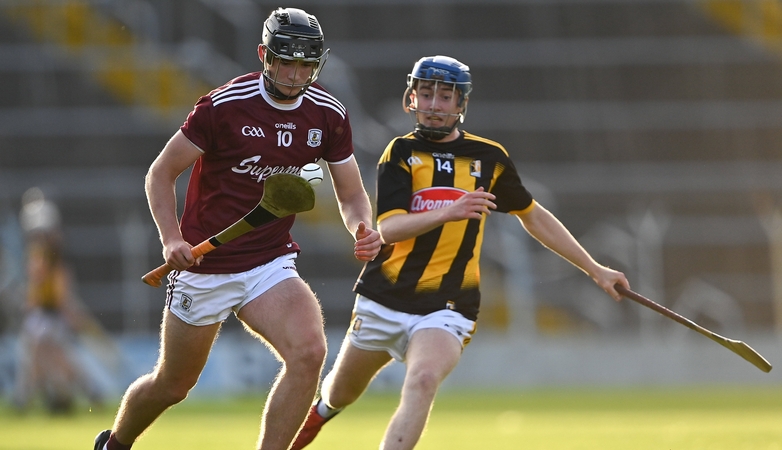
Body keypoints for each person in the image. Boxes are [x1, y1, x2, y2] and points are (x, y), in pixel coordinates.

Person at [291, 55, 630, 450]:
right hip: (383, 298)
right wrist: (450, 211)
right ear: (411, 98)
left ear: (461, 104)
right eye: (426, 93)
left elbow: (533, 216)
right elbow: (390, 227)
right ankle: (317, 418)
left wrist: (594, 268)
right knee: (340, 393)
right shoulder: (400, 153)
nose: (434, 103)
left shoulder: (490, 159)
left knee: (421, 380)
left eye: (445, 96)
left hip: (448, 305)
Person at [94, 7, 381, 450]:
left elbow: (351, 195)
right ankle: (114, 443)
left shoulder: (328, 114)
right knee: (172, 385)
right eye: (286, 60)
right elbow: (160, 173)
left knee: (309, 354)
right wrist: (172, 238)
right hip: (204, 266)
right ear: (264, 55)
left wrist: (362, 227)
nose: (294, 73)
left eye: (305, 63)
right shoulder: (223, 106)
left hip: (269, 261)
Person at [14, 187, 105, 414]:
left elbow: (54, 286)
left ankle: (38, 399)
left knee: (45, 357)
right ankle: (53, 396)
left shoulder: (45, 255)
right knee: (45, 357)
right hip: (44, 314)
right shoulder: (45, 253)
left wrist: (65, 309)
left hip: (48, 314)